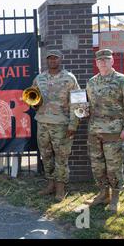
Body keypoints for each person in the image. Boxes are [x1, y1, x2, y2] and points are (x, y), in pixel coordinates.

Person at [84, 49, 124, 212]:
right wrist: (81, 109)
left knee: (114, 166)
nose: (103, 63)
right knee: (98, 165)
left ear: (112, 61)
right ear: (96, 63)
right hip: (95, 132)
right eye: (100, 61)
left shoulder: (122, 80)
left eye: (106, 60)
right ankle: (103, 194)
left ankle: (115, 197)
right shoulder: (92, 82)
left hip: (115, 132)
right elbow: (88, 105)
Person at [32, 50, 80, 201]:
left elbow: (79, 102)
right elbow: (33, 99)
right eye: (50, 58)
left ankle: (61, 188)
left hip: (62, 125)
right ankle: (50, 185)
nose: (52, 61)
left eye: (55, 58)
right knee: (46, 156)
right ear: (47, 61)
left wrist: (74, 124)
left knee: (61, 157)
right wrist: (34, 103)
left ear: (60, 60)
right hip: (42, 123)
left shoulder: (69, 78)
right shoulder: (39, 78)